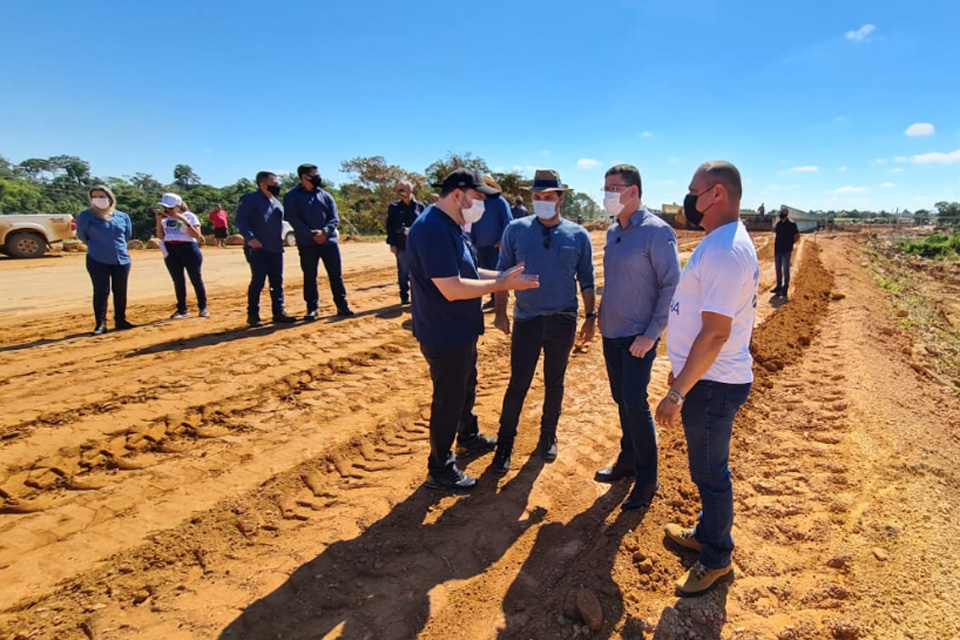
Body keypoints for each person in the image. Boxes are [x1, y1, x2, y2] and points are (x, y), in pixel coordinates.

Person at [654, 161, 759, 596]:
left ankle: (716, 558)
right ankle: (706, 533)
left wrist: (677, 392)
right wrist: (682, 369)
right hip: (707, 379)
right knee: (706, 469)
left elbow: (716, 333)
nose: (688, 198)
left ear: (717, 193)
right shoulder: (721, 242)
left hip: (713, 385)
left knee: (711, 474)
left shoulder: (724, 251)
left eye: (693, 190)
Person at [406, 168, 540, 492]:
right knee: (448, 399)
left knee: (466, 386)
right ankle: (440, 468)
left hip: (460, 329)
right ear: (458, 195)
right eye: (478, 198)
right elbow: (452, 288)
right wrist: (501, 284)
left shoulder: (451, 225)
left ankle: (467, 435)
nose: (482, 205)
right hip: (444, 332)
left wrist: (503, 274)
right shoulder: (432, 230)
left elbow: (467, 270)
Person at [490, 168, 595, 473]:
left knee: (554, 381)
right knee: (518, 383)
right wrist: (500, 312)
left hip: (563, 320)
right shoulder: (515, 230)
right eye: (537, 196)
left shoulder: (578, 235)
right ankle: (505, 443)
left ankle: (548, 436)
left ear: (560, 198)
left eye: (548, 196)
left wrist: (590, 317)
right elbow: (503, 274)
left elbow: (587, 278)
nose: (541, 201)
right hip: (527, 319)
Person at [595, 164, 681, 511]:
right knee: (621, 399)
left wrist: (650, 334)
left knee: (634, 400)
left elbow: (671, 286)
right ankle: (628, 459)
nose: (608, 195)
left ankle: (648, 478)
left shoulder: (657, 232)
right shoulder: (613, 232)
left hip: (638, 337)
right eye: (605, 188)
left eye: (614, 188)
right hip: (612, 332)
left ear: (634, 191)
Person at [284, 163, 354, 319]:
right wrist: (311, 234)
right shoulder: (291, 197)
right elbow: (293, 219)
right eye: (314, 175)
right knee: (310, 276)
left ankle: (342, 306)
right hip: (307, 244)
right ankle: (312, 309)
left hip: (329, 242)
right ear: (304, 177)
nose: (318, 178)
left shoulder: (326, 195)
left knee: (336, 275)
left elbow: (334, 218)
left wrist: (325, 232)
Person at [235, 171, 298, 327]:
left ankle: (278, 312)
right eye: (274, 183)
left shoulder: (276, 203)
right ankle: (253, 315)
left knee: (277, 281)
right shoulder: (250, 199)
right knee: (258, 281)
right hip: (257, 248)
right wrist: (250, 238)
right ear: (263, 185)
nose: (277, 186)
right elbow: (241, 220)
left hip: (275, 247)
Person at [76, 185, 135, 335]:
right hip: (97, 259)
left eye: (102, 196)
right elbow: (83, 236)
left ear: (110, 198)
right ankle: (101, 324)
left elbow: (126, 236)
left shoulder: (122, 216)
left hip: (121, 259)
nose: (98, 199)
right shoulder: (85, 216)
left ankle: (121, 320)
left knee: (120, 290)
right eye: (94, 197)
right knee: (101, 291)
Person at [156, 193, 209, 319]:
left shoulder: (190, 216)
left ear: (178, 206)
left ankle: (203, 307)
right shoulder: (165, 219)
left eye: (170, 208)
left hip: (188, 249)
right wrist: (158, 221)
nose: (167, 210)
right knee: (178, 280)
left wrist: (183, 220)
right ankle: (182, 309)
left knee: (196, 279)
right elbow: (161, 236)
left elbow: (197, 235)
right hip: (171, 249)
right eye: (165, 208)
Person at [468, 176, 513, 308]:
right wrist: (472, 241)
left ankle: (501, 299)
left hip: (496, 246)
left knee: (497, 272)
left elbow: (508, 221)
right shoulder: (476, 202)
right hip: (480, 246)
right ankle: (493, 297)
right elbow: (472, 222)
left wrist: (502, 240)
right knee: (486, 271)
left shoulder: (500, 201)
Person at [385, 179, 426, 305]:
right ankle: (404, 296)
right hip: (401, 244)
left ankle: (418, 296)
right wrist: (392, 243)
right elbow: (390, 226)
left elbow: (425, 224)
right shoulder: (394, 207)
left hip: (418, 246)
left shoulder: (420, 206)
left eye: (403, 189)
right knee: (403, 271)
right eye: (399, 189)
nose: (400, 191)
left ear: (411, 190)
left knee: (419, 271)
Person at [772, 205, 800, 298]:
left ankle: (785, 288)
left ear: (786, 213)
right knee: (778, 270)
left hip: (786, 251)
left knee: (786, 270)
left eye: (782, 212)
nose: (781, 213)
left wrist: (790, 244)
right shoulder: (778, 224)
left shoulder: (791, 224)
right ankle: (778, 286)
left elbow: (797, 236)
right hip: (778, 250)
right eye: (780, 212)